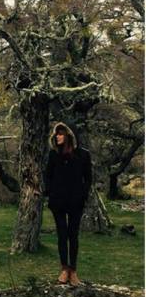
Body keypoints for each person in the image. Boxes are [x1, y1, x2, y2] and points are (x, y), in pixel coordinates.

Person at [43, 121, 92, 287]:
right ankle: (64, 269)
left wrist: (83, 195)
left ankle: (73, 271)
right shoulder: (53, 155)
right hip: (58, 202)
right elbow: (48, 176)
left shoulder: (83, 155)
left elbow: (88, 178)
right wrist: (49, 192)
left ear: (68, 136)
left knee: (73, 235)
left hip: (75, 202)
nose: (57, 136)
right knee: (62, 235)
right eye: (56, 134)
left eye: (60, 133)